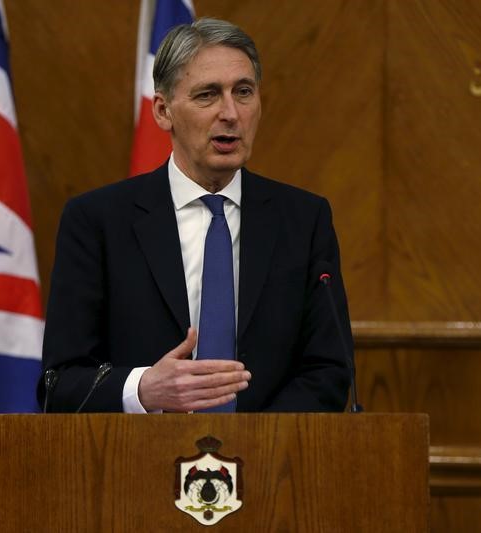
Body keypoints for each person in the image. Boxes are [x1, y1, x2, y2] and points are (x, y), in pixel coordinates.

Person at [39, 18, 352, 413]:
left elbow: (329, 371)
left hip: (270, 466)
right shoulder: (98, 222)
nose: (231, 113)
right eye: (207, 95)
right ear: (163, 110)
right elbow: (60, 382)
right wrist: (142, 389)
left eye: (243, 92)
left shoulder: (304, 221)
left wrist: (255, 447)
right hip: (135, 463)